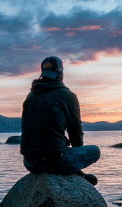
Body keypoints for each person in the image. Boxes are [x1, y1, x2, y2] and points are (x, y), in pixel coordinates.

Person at [20, 56, 100, 185]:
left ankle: (77, 173)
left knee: (60, 147)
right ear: (60, 73)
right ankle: (77, 173)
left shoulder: (30, 96)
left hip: (29, 163)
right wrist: (76, 156)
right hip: (55, 162)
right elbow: (75, 132)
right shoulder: (67, 96)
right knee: (95, 151)